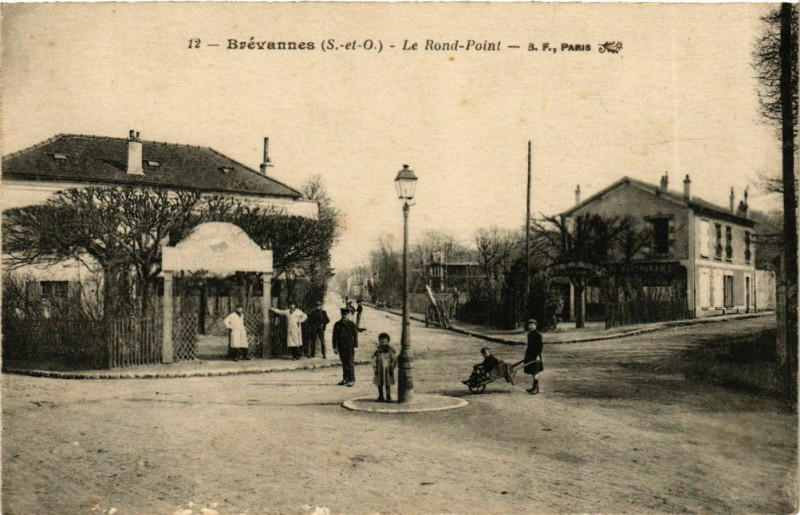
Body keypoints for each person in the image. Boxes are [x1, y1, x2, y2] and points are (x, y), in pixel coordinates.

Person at [332, 308, 358, 386]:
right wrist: (335, 347)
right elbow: (334, 337)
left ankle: (352, 380)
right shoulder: (337, 324)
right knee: (344, 363)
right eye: (343, 314)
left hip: (350, 347)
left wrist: (355, 346)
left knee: (350, 363)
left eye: (346, 315)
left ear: (348, 315)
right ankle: (345, 379)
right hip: (341, 347)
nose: (344, 316)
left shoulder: (351, 324)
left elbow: (355, 336)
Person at [372, 333, 397, 402]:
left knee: (387, 382)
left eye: (385, 342)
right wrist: (374, 366)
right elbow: (374, 358)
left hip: (387, 369)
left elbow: (394, 360)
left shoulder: (390, 351)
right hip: (379, 368)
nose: (383, 343)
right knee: (379, 382)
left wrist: (392, 367)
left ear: (388, 342)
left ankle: (388, 396)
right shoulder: (378, 351)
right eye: (381, 342)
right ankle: (381, 396)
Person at [523, 318, 544, 394]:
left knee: (536, 371)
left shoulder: (538, 335)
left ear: (535, 326)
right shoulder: (529, 335)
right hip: (530, 355)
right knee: (533, 371)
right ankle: (534, 387)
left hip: (536, 355)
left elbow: (540, 346)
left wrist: (538, 356)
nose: (531, 327)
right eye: (529, 325)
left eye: (532, 325)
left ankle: (536, 388)